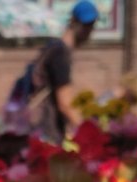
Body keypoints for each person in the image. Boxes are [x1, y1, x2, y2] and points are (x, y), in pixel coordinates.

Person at [19, 0, 99, 144]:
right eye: (86, 25)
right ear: (73, 21)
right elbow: (65, 103)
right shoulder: (60, 53)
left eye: (91, 26)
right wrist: (90, 135)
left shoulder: (52, 48)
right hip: (46, 134)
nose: (88, 31)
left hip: (36, 130)